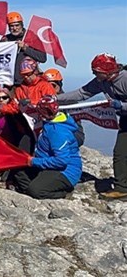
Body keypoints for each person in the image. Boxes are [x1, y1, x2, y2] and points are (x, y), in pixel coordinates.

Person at [56, 53, 127, 200]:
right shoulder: (101, 81)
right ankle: (122, 188)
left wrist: (121, 105)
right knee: (120, 153)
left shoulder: (124, 79)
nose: (94, 74)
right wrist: (55, 99)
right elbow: (82, 93)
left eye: (96, 72)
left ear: (106, 71)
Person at [11, 96, 82, 200]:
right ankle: (30, 190)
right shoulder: (50, 123)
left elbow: (61, 161)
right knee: (18, 170)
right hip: (47, 165)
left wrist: (34, 162)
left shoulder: (57, 132)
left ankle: (63, 193)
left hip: (65, 171)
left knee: (36, 191)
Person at [3, 11, 48, 85]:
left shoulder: (32, 37)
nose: (15, 28)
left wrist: (25, 48)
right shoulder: (5, 39)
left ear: (22, 25)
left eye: (17, 25)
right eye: (12, 26)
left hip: (28, 81)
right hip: (10, 82)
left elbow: (42, 58)